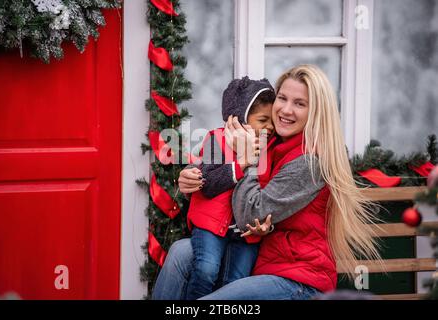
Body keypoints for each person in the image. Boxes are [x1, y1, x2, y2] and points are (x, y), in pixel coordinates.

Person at [153, 64, 382, 300]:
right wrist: (193, 174)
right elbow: (221, 160)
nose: (286, 110)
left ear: (316, 112)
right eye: (282, 98)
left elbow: (251, 213)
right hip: (262, 259)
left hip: (296, 279)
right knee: (181, 252)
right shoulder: (272, 142)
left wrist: (247, 160)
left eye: (300, 104)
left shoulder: (310, 161)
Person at [184, 76, 276, 300]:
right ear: (241, 118)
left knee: (236, 284)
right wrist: (242, 162)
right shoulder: (217, 139)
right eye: (263, 119)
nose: (270, 127)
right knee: (206, 271)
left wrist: (265, 223)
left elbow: (269, 192)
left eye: (272, 120)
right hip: (211, 226)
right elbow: (208, 184)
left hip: (246, 233)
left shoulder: (271, 149)